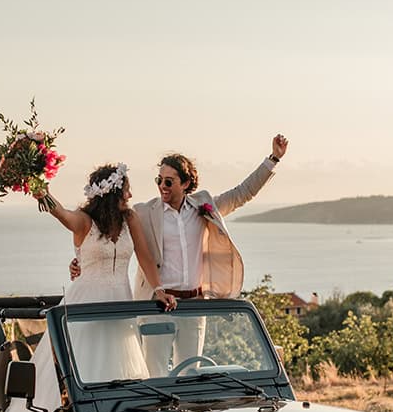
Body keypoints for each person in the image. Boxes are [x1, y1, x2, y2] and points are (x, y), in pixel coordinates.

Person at [70, 135, 289, 375]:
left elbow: (242, 193)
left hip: (194, 308)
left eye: (168, 182)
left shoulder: (202, 207)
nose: (162, 186)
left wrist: (273, 159)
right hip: (156, 307)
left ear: (185, 184)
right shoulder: (143, 213)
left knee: (190, 375)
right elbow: (104, 230)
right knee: (155, 376)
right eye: (159, 180)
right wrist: (82, 260)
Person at [1, 163, 176, 412]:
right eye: (126, 190)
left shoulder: (130, 220)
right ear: (112, 193)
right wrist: (41, 192)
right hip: (86, 302)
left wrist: (158, 289)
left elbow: (145, 258)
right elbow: (61, 214)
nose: (129, 196)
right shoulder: (84, 221)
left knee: (118, 363)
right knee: (84, 362)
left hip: (119, 302)